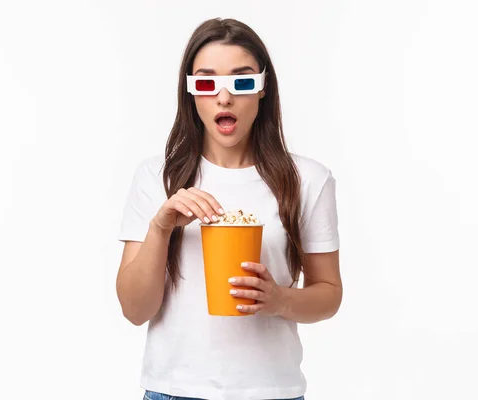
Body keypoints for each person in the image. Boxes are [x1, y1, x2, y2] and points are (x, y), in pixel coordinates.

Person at [116, 17, 342, 400]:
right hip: (173, 391)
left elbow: (329, 293)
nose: (224, 97)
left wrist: (280, 299)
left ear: (263, 88)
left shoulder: (307, 179)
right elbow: (135, 310)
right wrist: (160, 227)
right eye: (206, 83)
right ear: (190, 92)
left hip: (272, 392)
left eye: (241, 81)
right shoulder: (157, 177)